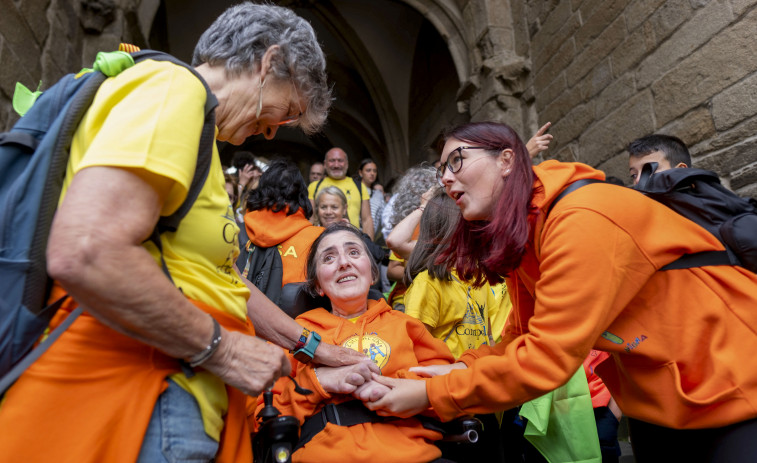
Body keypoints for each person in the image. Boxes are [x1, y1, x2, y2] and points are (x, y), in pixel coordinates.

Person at [0, 4, 370, 462]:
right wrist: (224, 349)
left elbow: (225, 279)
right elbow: (89, 250)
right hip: (141, 393)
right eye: (287, 110)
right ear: (267, 63)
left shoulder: (201, 137)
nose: (274, 131)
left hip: (170, 392)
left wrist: (315, 348)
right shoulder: (174, 89)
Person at [363, 121, 757, 462]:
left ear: (506, 160)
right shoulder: (532, 229)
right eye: (441, 168)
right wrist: (463, 368)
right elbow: (522, 336)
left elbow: (546, 358)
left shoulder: (579, 215)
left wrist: (434, 392)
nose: (446, 178)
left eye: (457, 160)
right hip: (666, 400)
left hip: (732, 383)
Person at [254, 223, 455, 463]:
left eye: (353, 252)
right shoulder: (296, 335)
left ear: (372, 273)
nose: (343, 263)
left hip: (412, 455)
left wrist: (393, 386)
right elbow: (264, 418)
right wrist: (318, 382)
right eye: (328, 258)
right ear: (317, 285)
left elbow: (450, 391)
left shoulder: (406, 326)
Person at [401, 188, 506, 462]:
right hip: (450, 404)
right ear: (445, 232)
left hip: (484, 395)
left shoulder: (478, 277)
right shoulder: (428, 283)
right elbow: (412, 351)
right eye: (469, 226)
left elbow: (489, 336)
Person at [240, 158, 323, 287]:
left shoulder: (236, 232)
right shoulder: (320, 239)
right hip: (300, 307)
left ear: (261, 191)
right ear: (302, 194)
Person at [308, 147, 374, 239]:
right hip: (321, 240)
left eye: (340, 161)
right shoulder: (314, 187)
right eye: (332, 160)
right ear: (325, 164)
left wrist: (369, 246)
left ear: (347, 163)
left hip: (352, 240)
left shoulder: (359, 186)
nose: (336, 165)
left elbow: (367, 219)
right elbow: (310, 218)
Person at [313, 186, 387, 268]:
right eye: (323, 207)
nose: (328, 212)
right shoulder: (311, 235)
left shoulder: (353, 233)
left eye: (334, 207)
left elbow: (378, 255)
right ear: (317, 209)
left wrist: (352, 233)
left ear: (344, 209)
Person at [355, 158, 385, 236]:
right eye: (368, 170)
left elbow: (381, 218)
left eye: (374, 171)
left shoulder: (378, 195)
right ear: (360, 173)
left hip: (371, 237)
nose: (372, 173)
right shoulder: (354, 190)